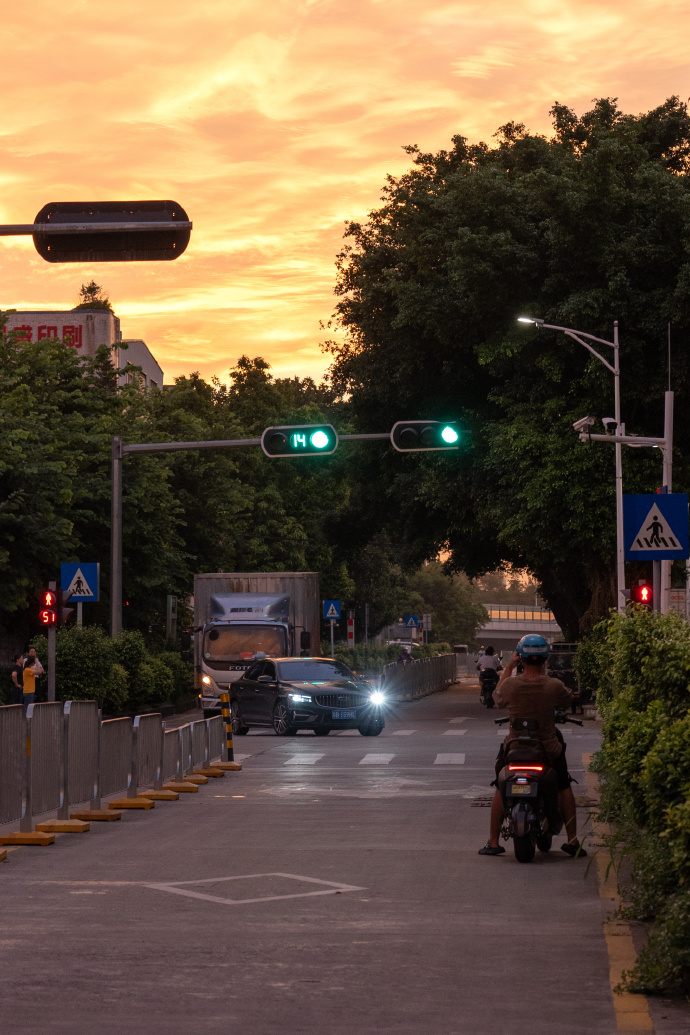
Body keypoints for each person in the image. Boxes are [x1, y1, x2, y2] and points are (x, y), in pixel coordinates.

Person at [478, 633, 587, 859]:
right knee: (563, 784)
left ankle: (493, 840)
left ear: (521, 657)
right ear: (545, 658)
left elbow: (498, 699)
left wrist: (509, 667)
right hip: (548, 748)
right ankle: (572, 840)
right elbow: (568, 700)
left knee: (500, 784)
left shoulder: (511, 685)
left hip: (515, 748)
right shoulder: (553, 686)